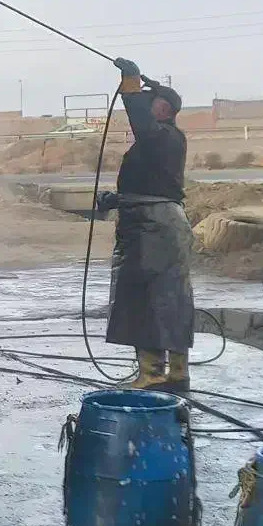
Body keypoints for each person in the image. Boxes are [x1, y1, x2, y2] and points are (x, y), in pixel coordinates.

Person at [104, 58, 194, 392]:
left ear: (165, 110)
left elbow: (142, 123)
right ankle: (176, 373)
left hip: (153, 227)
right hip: (159, 222)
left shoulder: (163, 137)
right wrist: (117, 199)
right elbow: (151, 183)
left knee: (146, 297)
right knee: (169, 298)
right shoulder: (163, 141)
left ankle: (154, 373)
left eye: (152, 102)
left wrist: (131, 83)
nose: (147, 106)